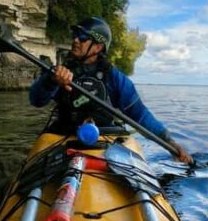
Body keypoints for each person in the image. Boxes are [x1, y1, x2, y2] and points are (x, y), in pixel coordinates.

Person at [29, 17, 192, 164]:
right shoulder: (59, 72)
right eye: (75, 35)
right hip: (64, 136)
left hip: (105, 138)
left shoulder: (115, 78)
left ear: (98, 47)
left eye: (83, 37)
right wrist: (51, 81)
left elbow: (140, 115)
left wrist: (169, 142)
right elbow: (36, 100)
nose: (76, 40)